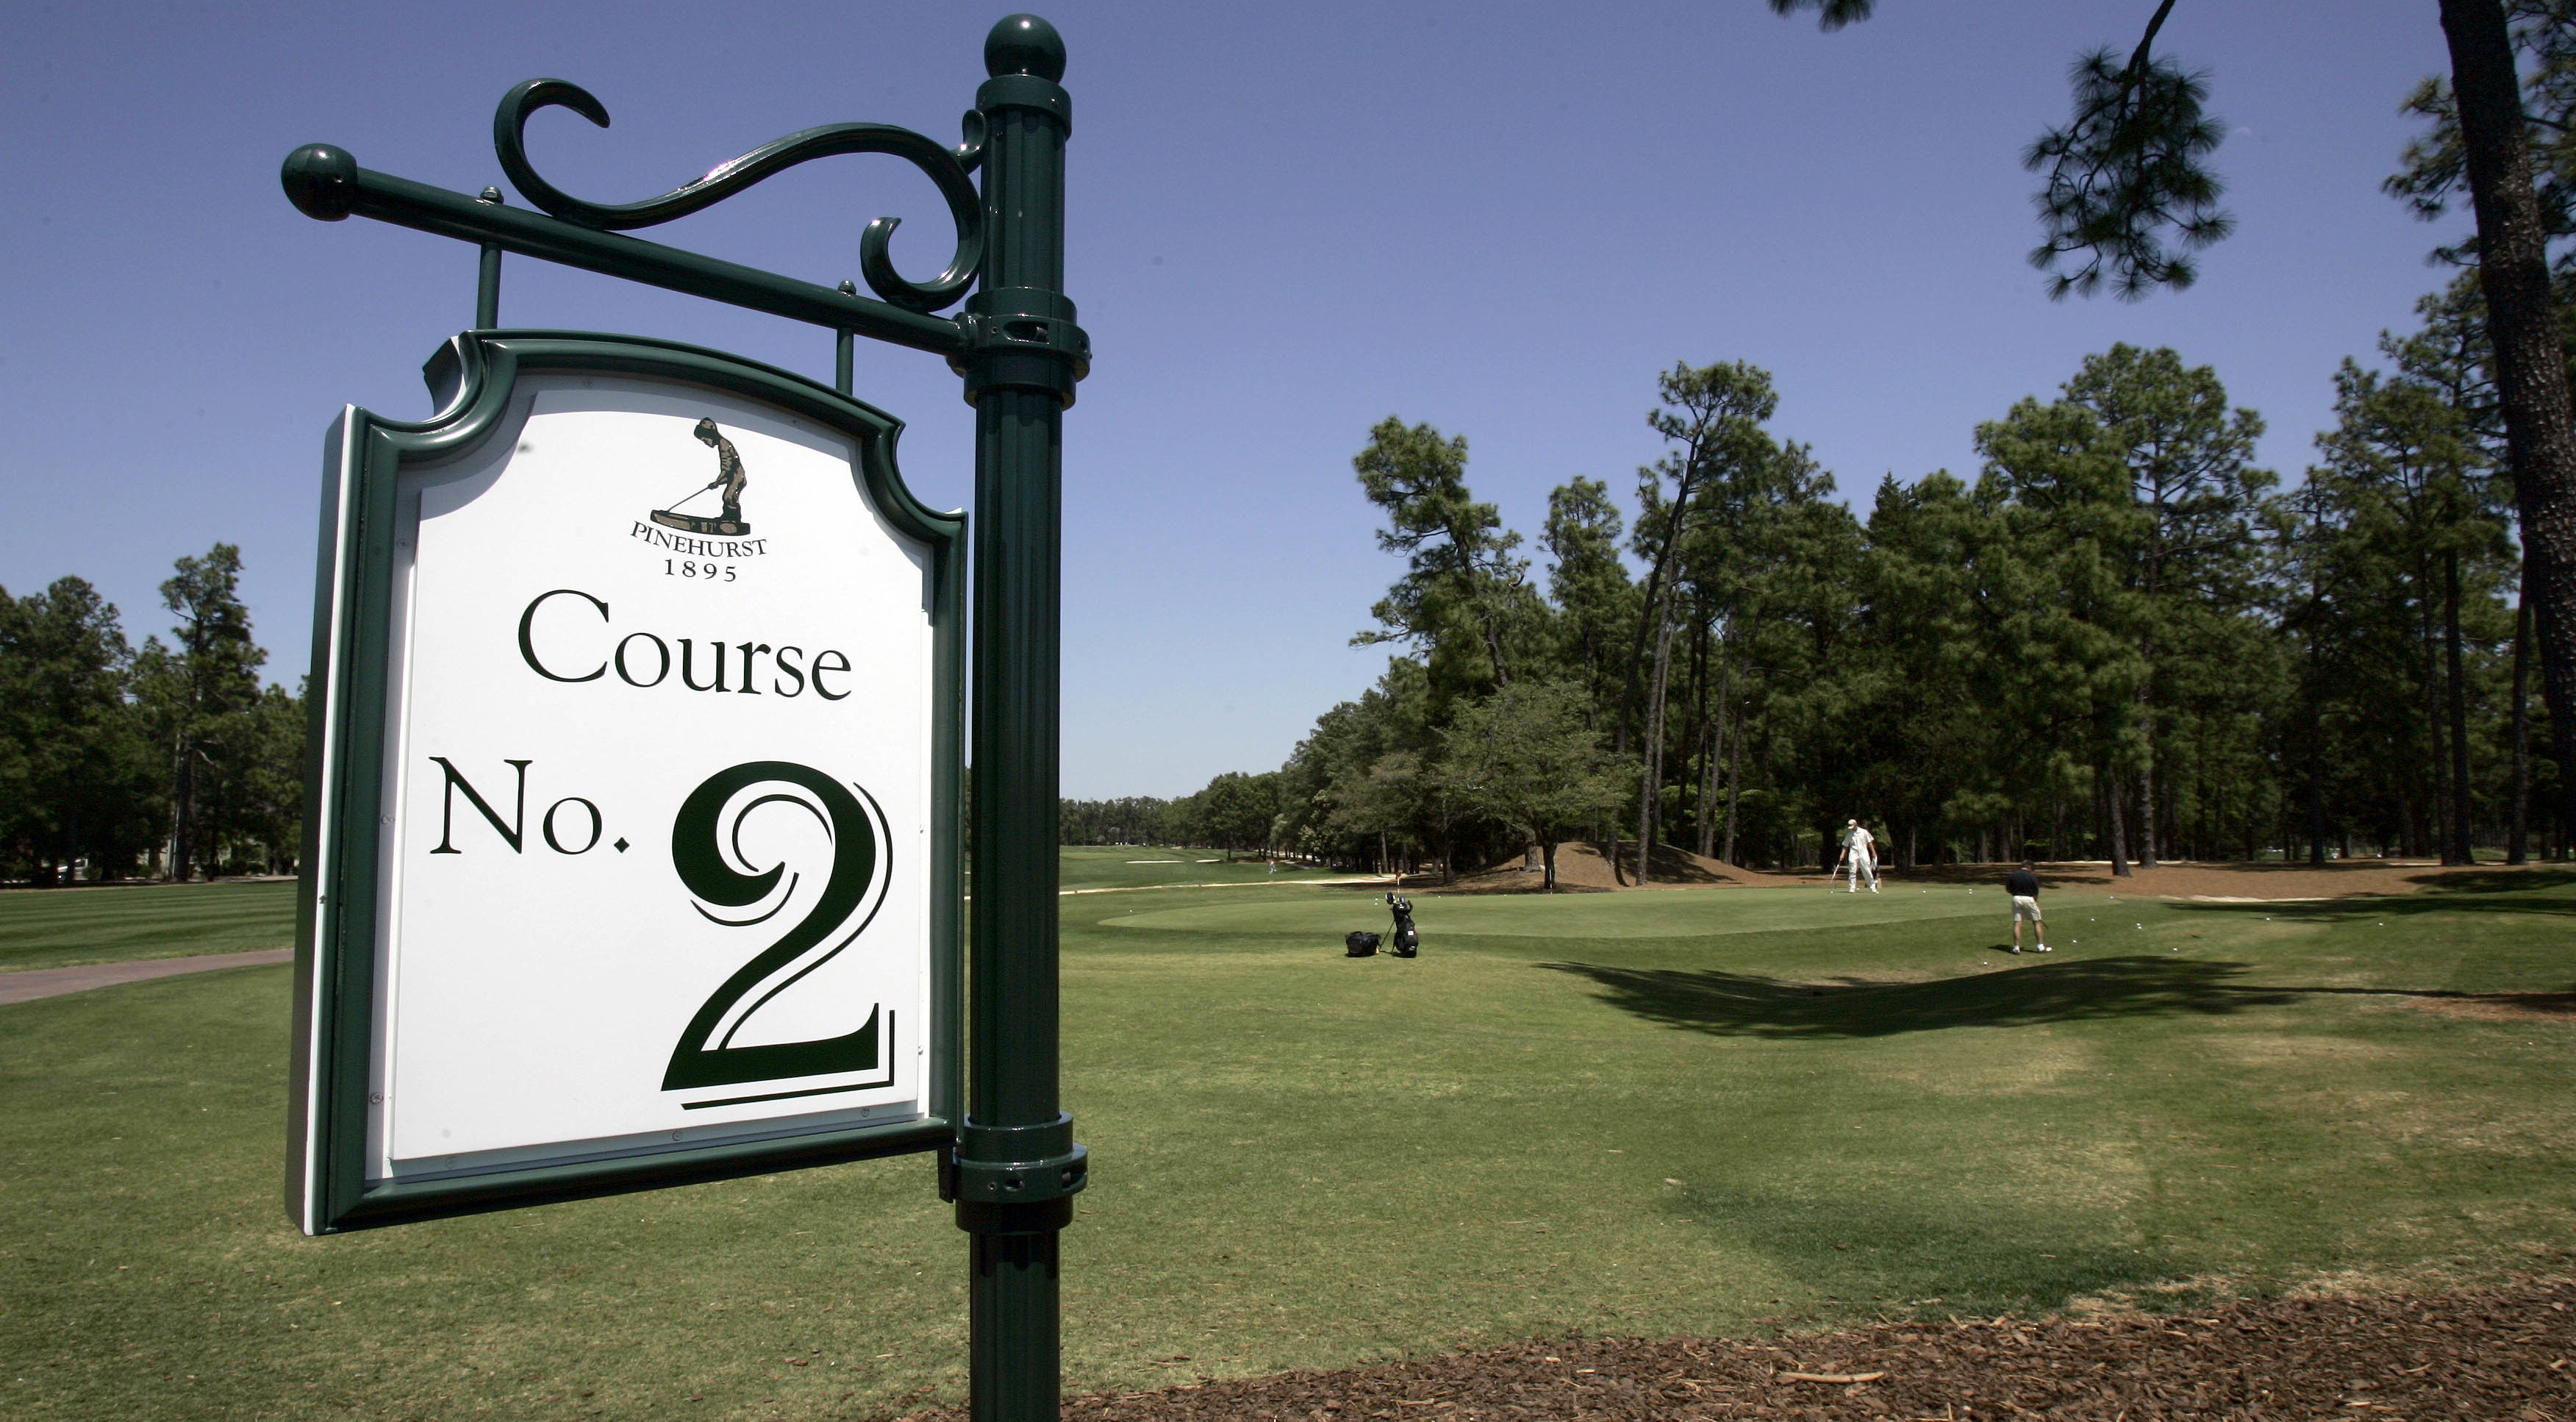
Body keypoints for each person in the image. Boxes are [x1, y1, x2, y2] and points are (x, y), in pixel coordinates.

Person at [694, 418, 747, 526]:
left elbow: (727, 468)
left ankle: (733, 521)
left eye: (705, 440)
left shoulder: (724, 445)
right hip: (734, 476)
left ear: (711, 435)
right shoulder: (723, 444)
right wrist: (717, 482)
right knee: (728, 496)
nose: (706, 443)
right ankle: (728, 518)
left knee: (729, 497)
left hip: (737, 477)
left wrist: (717, 482)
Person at [2006, 859, 2048, 953]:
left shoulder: (2013, 875)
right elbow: (2036, 893)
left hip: (2016, 898)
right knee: (2037, 922)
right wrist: (2035, 902)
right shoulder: (2032, 877)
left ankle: (2016, 947)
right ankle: (2040, 946)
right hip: (2029, 899)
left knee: (2017, 923)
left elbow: (2008, 889)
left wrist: (2016, 893)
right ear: (2029, 867)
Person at [1836, 818, 1879, 893]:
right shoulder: (1849, 835)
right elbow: (1845, 846)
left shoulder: (1864, 832)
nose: (1851, 828)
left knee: (1867, 870)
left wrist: (1873, 852)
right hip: (1853, 854)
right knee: (1852, 871)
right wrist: (1842, 855)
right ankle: (1852, 888)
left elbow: (1869, 843)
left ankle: (1872, 887)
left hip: (1863, 853)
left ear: (1856, 824)